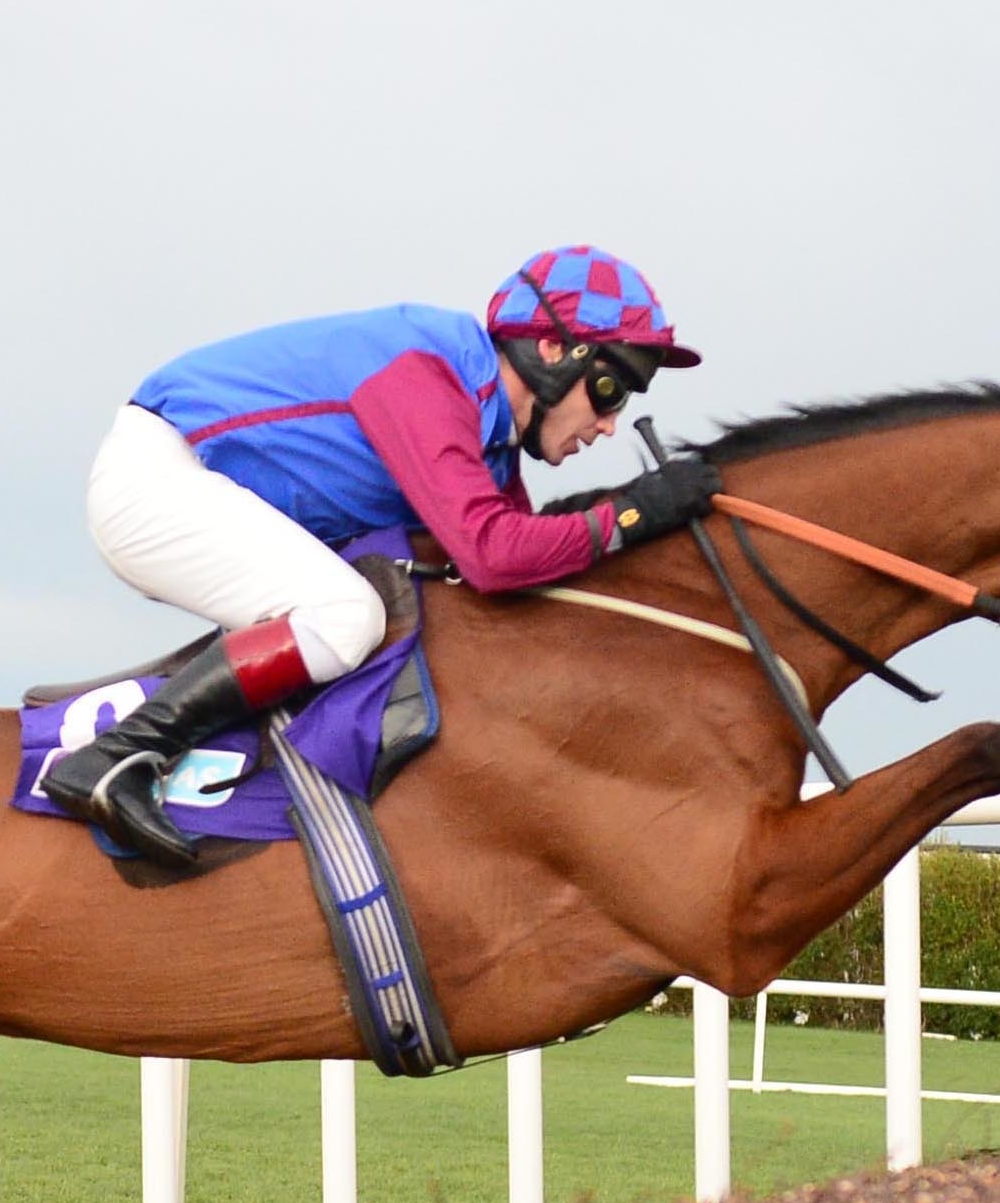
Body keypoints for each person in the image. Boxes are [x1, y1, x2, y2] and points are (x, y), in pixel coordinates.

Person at [40, 245, 716, 866]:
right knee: (346, 616)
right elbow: (493, 556)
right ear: (549, 350)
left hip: (189, 482)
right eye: (609, 391)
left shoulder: (487, 433)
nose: (609, 424)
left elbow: (524, 558)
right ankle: (118, 755)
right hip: (156, 479)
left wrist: (636, 524)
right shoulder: (430, 372)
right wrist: (632, 514)